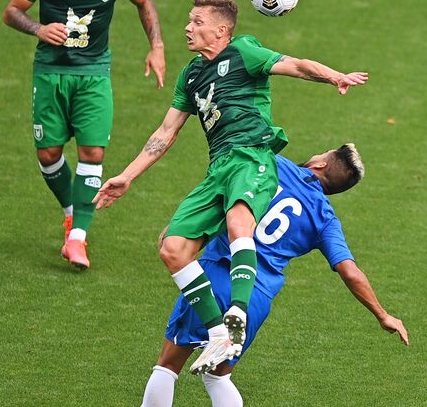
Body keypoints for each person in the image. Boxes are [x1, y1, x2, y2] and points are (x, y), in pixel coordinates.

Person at [94, 0, 368, 372]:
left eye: (197, 22)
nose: (188, 28)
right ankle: (218, 331)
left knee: (240, 222)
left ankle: (237, 312)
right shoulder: (191, 75)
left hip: (251, 156)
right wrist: (127, 175)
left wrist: (334, 76)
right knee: (172, 248)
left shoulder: (243, 51)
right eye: (189, 20)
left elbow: (296, 65)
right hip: (218, 168)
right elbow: (165, 132)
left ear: (221, 31)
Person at [140, 144, 409, 407]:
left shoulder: (272, 164)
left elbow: (219, 190)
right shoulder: (326, 219)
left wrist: (179, 229)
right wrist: (383, 315)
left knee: (168, 365)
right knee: (218, 378)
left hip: (218, 275)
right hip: (255, 301)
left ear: (321, 163)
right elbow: (350, 271)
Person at [3, 0, 165, 269]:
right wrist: (38, 29)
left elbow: (144, 2)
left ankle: (77, 238)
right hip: (50, 73)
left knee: (92, 152)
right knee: (48, 155)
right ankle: (72, 213)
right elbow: (11, 12)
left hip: (94, 74)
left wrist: (157, 47)